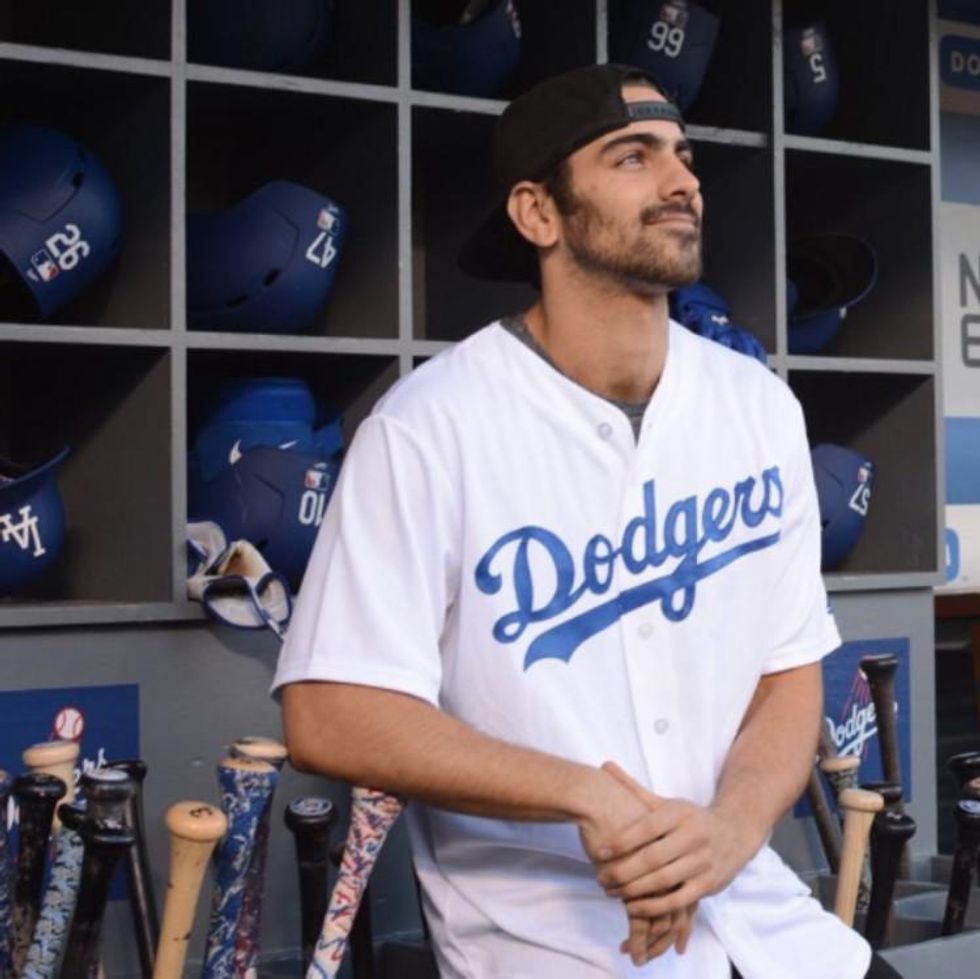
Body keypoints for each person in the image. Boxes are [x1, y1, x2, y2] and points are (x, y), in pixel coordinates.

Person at [274, 63, 903, 978]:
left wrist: (731, 829)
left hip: (761, 918)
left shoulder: (759, 406)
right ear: (538, 213)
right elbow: (330, 711)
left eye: (683, 156)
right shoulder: (428, 427)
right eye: (632, 157)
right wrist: (585, 796)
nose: (681, 181)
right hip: (556, 939)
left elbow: (787, 674)